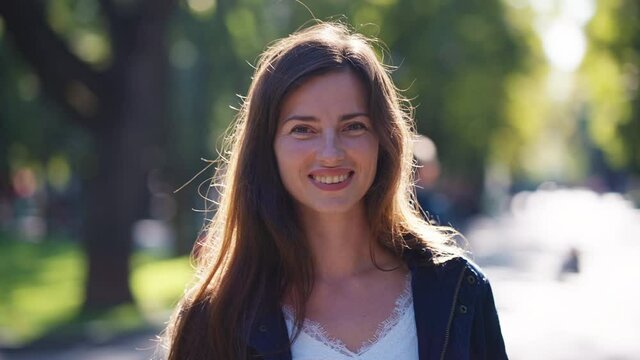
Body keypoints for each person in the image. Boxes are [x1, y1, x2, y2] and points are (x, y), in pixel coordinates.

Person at [162, 22, 507, 360]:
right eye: (303, 130)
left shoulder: (460, 294)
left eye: (353, 126)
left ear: (383, 141)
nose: (330, 153)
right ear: (267, 148)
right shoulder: (215, 317)